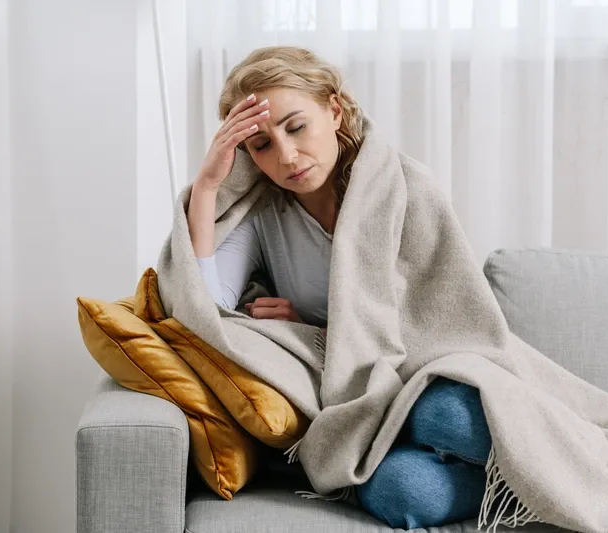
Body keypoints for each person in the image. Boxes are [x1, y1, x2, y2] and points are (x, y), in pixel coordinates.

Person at [187, 45, 492, 529]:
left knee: (451, 420)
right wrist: (206, 187)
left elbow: (449, 317)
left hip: (429, 379)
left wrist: (313, 327)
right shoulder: (264, 215)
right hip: (351, 404)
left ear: (333, 109)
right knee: (403, 494)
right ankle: (505, 483)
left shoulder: (406, 186)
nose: (286, 156)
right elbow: (204, 307)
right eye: (260, 144)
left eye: (296, 126)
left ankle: (525, 465)